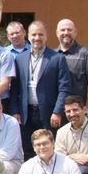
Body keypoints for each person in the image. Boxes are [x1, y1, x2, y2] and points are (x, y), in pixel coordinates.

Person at [12, 20, 72, 158]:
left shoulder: (57, 58)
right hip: (26, 113)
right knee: (28, 149)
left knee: (48, 148)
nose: (37, 38)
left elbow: (64, 88)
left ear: (46, 36)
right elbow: (15, 89)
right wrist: (15, 110)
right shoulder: (20, 59)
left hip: (48, 114)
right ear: (28, 36)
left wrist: (57, 111)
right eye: (34, 34)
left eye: (40, 34)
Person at [55, 96, 88, 174]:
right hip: (67, 169)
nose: (72, 114)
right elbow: (58, 156)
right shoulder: (61, 132)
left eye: (75, 110)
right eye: (68, 111)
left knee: (81, 172)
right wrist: (72, 157)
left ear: (84, 109)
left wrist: (82, 158)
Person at [55, 18, 88, 109]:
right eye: (62, 30)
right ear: (57, 33)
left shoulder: (86, 53)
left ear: (75, 33)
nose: (66, 32)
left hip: (78, 110)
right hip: (58, 111)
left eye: (69, 30)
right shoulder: (52, 56)